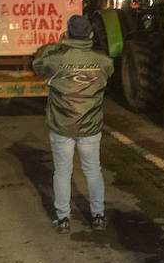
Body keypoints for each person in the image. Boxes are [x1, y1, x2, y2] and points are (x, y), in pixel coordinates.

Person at [32, 14, 114, 233]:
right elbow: (108, 72)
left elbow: (37, 64)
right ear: (91, 35)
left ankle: (63, 219)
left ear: (67, 33)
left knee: (62, 172)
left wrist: (59, 45)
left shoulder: (56, 59)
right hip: (90, 126)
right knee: (93, 171)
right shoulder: (104, 62)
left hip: (62, 126)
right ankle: (98, 216)